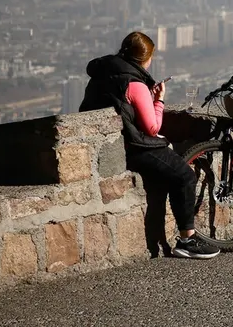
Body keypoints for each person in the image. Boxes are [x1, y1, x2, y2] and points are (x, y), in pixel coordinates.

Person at [78, 31, 220, 259]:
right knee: (184, 175)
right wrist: (158, 100)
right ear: (146, 58)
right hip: (133, 147)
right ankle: (187, 239)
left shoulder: (102, 74)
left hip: (106, 147)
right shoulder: (134, 84)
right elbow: (152, 128)